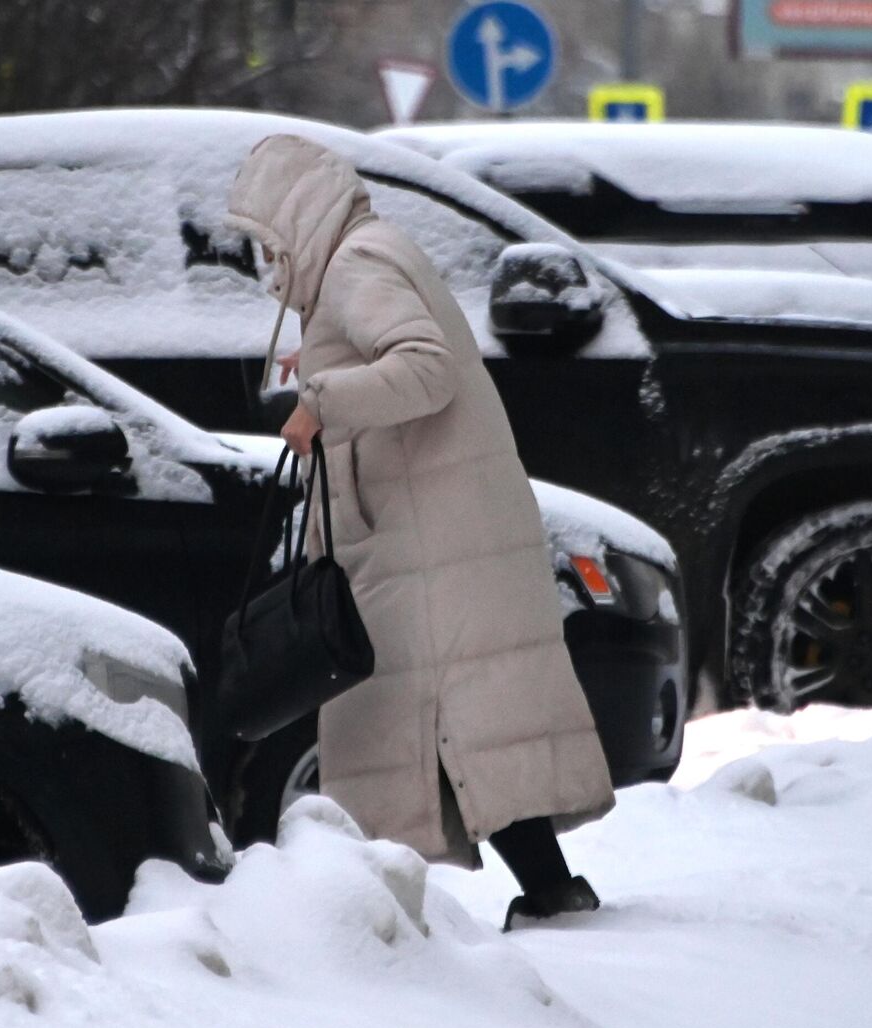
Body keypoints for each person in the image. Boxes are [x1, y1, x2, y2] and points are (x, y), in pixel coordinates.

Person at [224, 134, 616, 929]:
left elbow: (426, 367)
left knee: (442, 726)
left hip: (428, 542)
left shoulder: (356, 265)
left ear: (298, 217)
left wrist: (324, 400)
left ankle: (370, 925)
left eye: (269, 240)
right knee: (449, 732)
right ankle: (537, 894)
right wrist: (325, 364)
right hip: (419, 535)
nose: (266, 261)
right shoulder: (360, 258)